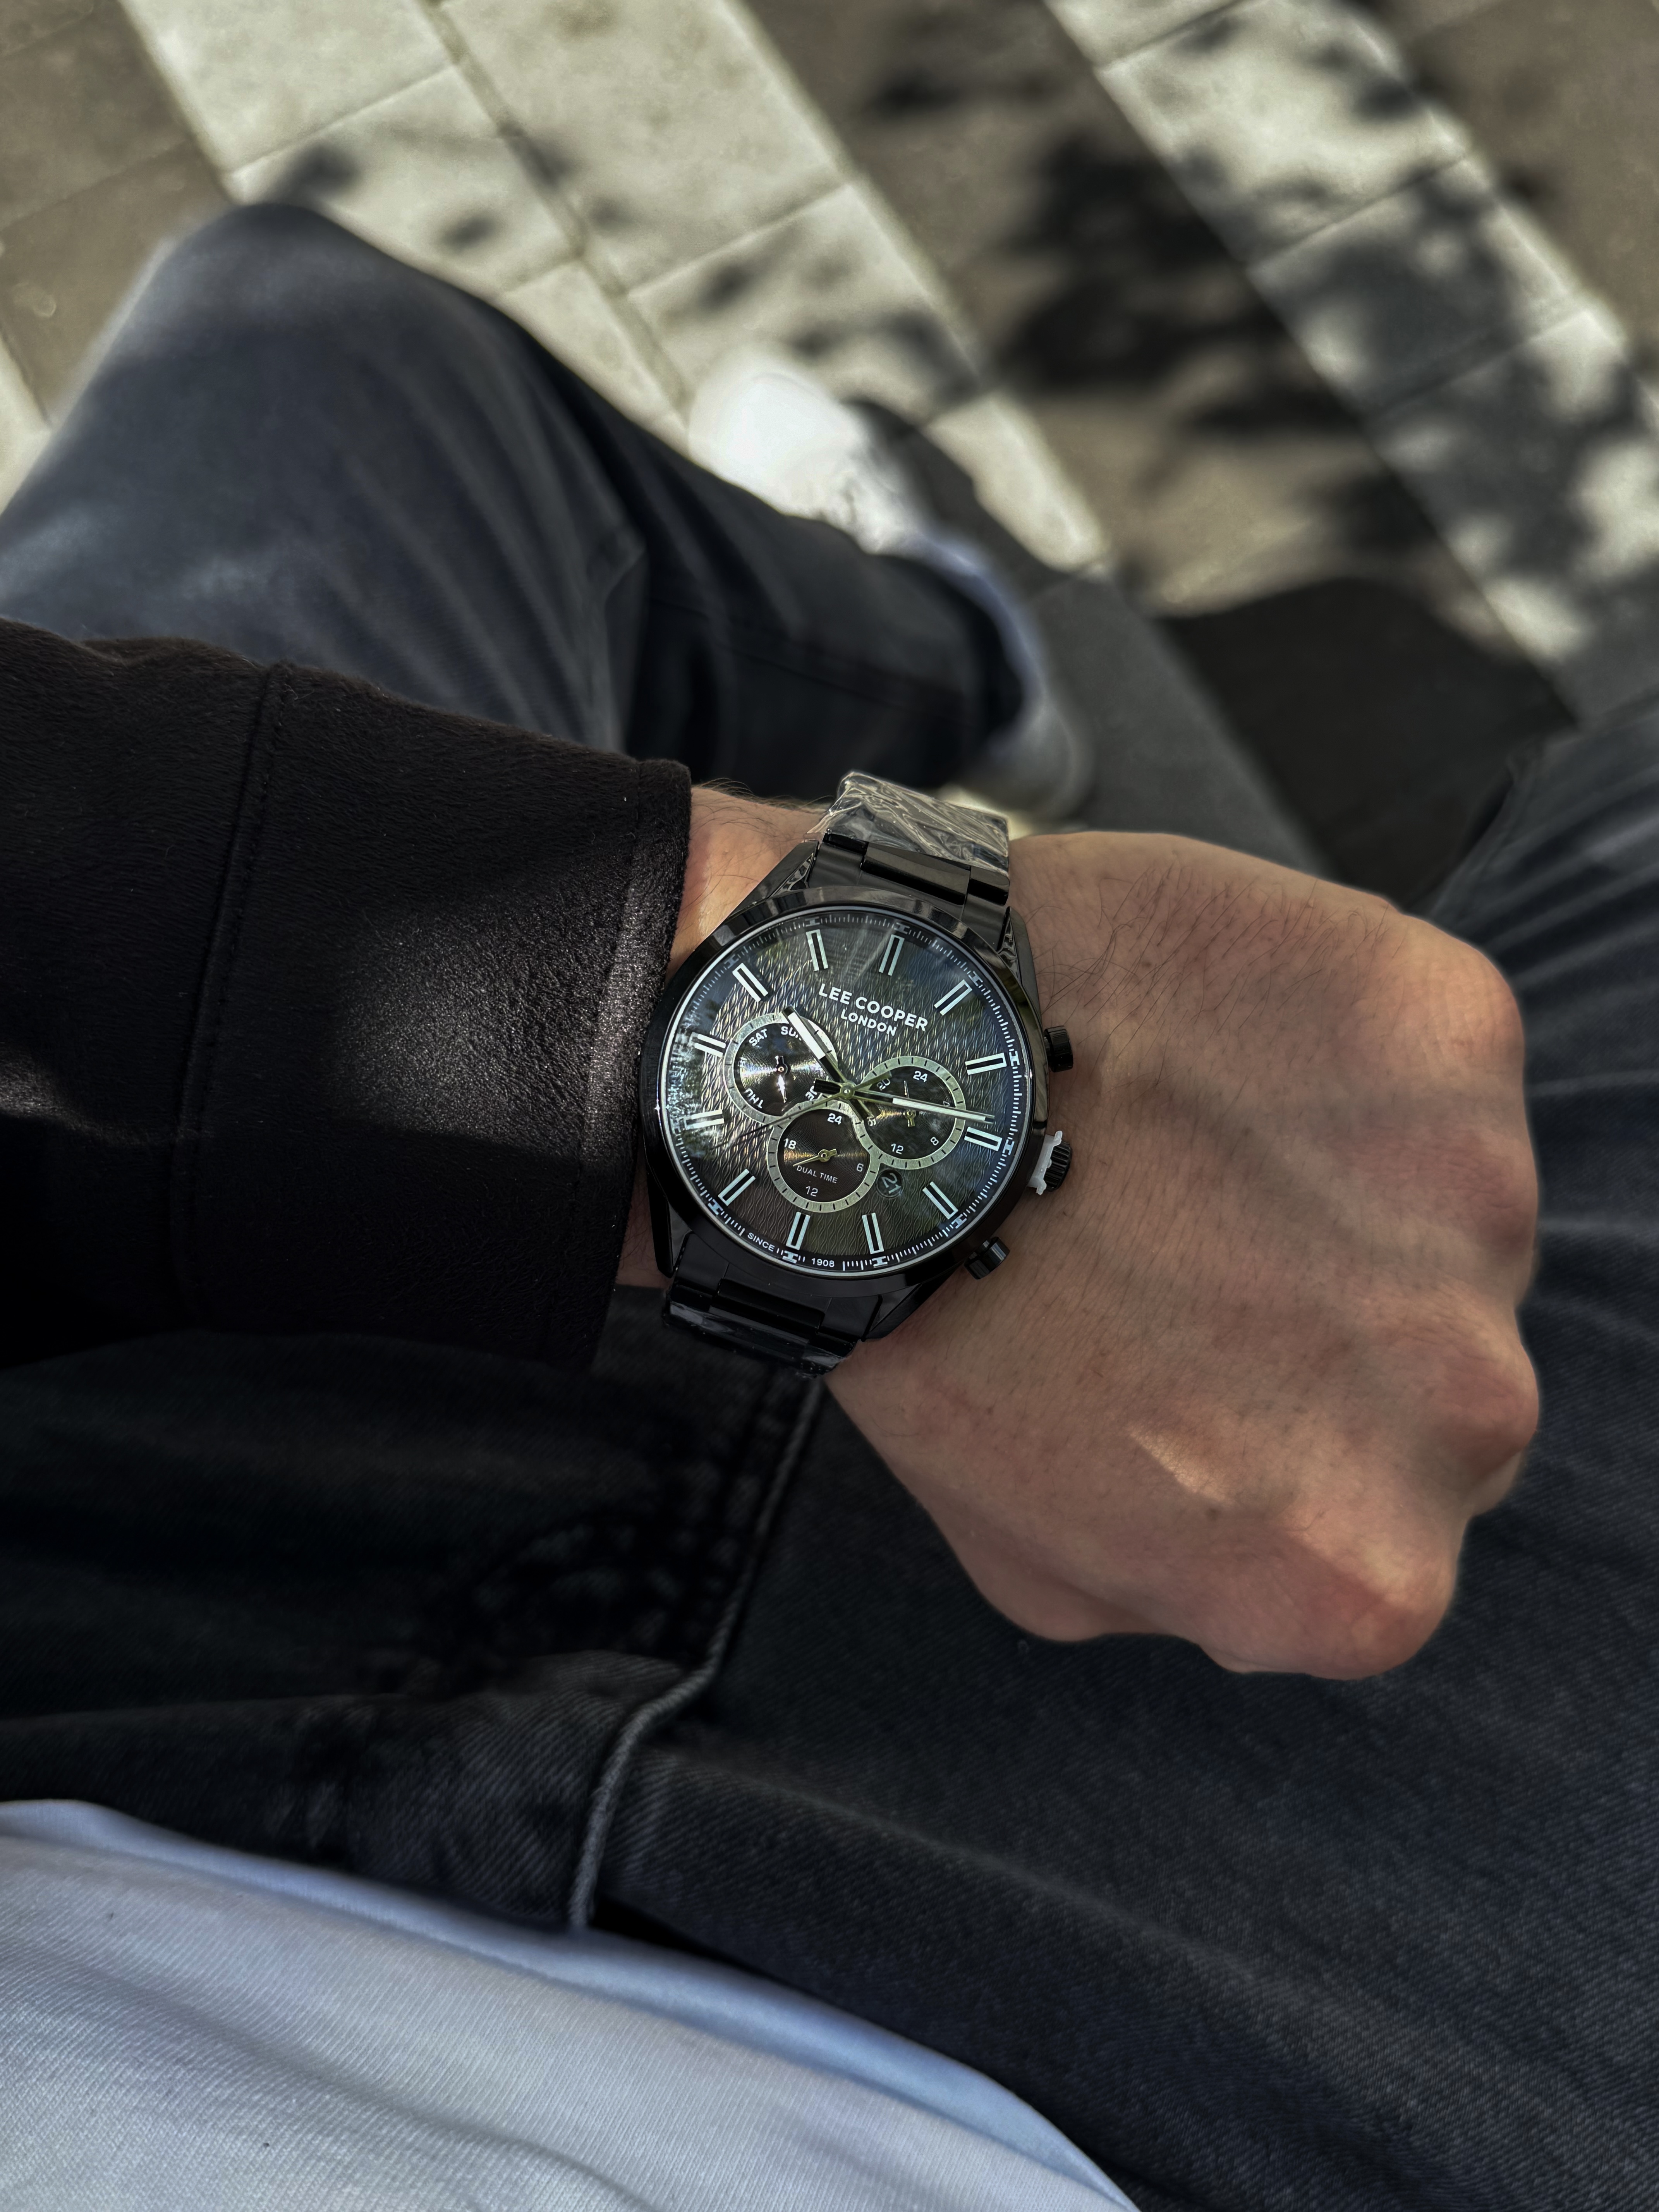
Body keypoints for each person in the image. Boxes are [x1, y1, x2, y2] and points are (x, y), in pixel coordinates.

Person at [0, 204, 1645, 2209]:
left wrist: (661, 976)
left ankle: (954, 671)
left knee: (312, 356)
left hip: (110, 1525)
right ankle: (953, 683)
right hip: (1207, 2035)